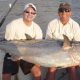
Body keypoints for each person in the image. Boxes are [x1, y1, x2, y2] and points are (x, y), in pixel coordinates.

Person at [2, 3, 43, 80]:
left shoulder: (37, 29)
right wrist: (15, 55)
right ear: (23, 12)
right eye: (27, 12)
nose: (30, 14)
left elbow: (37, 47)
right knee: (6, 76)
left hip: (28, 55)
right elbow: (8, 43)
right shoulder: (13, 25)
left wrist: (37, 62)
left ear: (35, 15)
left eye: (32, 13)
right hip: (12, 52)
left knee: (37, 72)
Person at [46, 2, 80, 80]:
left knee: (72, 69)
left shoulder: (75, 26)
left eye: (67, 10)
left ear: (70, 13)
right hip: (54, 53)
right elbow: (47, 43)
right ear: (58, 13)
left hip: (70, 55)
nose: (64, 12)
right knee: (51, 69)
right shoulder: (52, 24)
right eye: (61, 10)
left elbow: (77, 44)